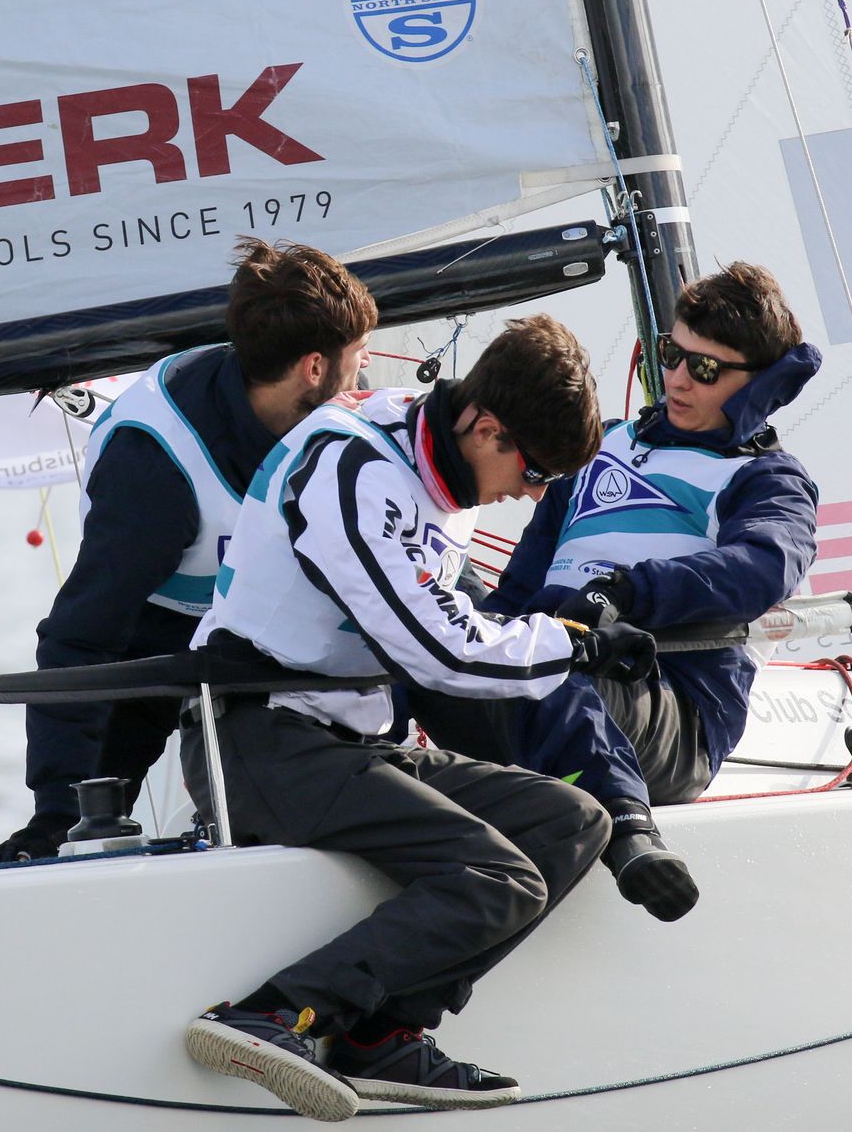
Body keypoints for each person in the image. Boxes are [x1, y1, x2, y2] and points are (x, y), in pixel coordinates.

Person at [181, 316, 653, 1119]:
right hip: (256, 739)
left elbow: (458, 623)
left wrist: (569, 639)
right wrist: (572, 645)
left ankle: (382, 1034)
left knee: (573, 822)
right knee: (500, 876)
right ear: (485, 426)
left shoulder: (435, 462)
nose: (532, 495)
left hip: (344, 737)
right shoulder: (354, 468)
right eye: (535, 471)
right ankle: (274, 1012)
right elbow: (442, 654)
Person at [417, 262, 820, 924]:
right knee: (416, 636)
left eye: (706, 369)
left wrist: (625, 592)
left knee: (553, 664)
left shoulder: (764, 478)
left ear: (758, 381)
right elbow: (519, 593)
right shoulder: (600, 445)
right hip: (555, 677)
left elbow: (762, 568)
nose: (678, 378)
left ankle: (629, 831)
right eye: (671, 354)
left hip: (672, 711)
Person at [0, 237, 378, 862]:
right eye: (359, 356)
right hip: (152, 638)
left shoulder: (333, 410)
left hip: (263, 639)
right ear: (313, 368)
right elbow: (78, 639)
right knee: (79, 826)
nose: (367, 372)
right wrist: (58, 810)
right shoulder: (156, 470)